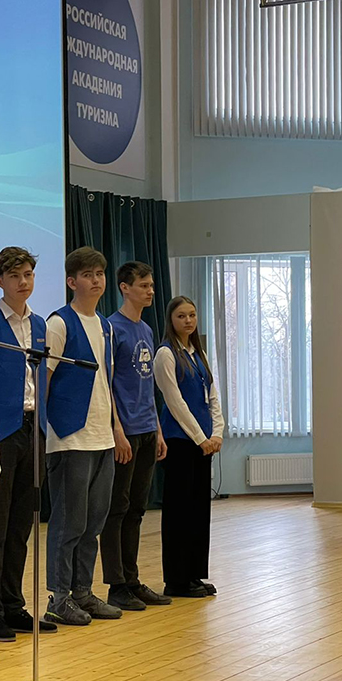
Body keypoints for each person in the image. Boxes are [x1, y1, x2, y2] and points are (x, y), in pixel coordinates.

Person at [0, 247, 57, 642]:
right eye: (14, 276)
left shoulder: (40, 324)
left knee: (22, 524)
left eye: (28, 275)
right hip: (0, 430)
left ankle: (13, 604)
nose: (23, 282)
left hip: (32, 428)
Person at [44, 246, 122, 625]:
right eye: (88, 275)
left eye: (100, 274)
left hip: (102, 437)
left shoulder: (106, 325)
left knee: (93, 523)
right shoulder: (59, 324)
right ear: (72, 281)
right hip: (70, 438)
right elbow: (43, 380)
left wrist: (116, 428)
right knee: (68, 523)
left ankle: (83, 592)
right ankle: (58, 598)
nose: (96, 281)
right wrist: (47, 432)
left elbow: (107, 381)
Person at [101, 261, 171, 611]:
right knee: (118, 508)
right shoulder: (112, 328)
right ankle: (116, 585)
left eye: (151, 285)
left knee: (137, 509)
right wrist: (117, 428)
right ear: (124, 288)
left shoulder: (145, 329)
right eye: (143, 285)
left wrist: (157, 428)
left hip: (146, 428)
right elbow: (108, 383)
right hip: (124, 431)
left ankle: (132, 579)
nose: (150, 291)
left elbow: (147, 386)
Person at [153, 296, 224, 599]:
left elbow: (212, 398)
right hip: (181, 443)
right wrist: (199, 437)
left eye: (192, 315)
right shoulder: (165, 354)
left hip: (204, 443)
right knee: (179, 511)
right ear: (171, 320)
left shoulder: (198, 354)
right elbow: (175, 402)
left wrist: (217, 433)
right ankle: (177, 579)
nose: (188, 321)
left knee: (198, 511)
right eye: (181, 316)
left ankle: (194, 574)